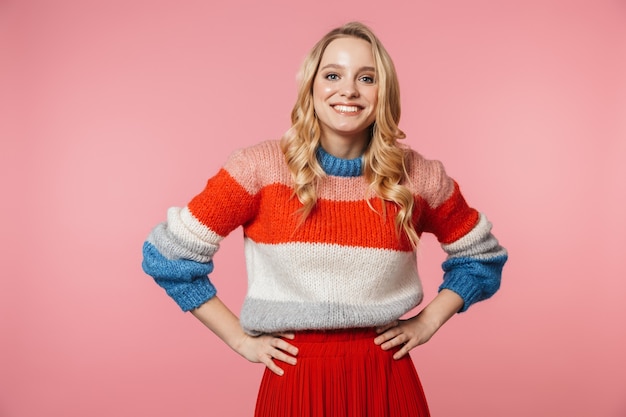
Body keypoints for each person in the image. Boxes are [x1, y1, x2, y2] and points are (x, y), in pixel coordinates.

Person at [142, 21, 508, 417]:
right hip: (295, 376)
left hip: (385, 375)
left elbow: (481, 258)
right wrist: (239, 340)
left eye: (366, 78)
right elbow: (168, 258)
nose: (348, 90)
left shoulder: (418, 175)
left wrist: (428, 323)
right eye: (332, 75)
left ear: (383, 93)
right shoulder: (258, 168)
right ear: (311, 88)